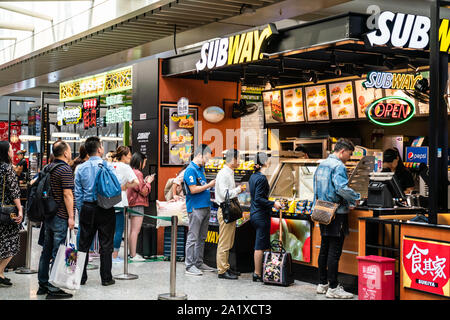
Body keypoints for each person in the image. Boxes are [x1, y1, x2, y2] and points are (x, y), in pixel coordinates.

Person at [314, 138, 360, 299]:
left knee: (325, 248)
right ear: (342, 151)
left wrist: (316, 206)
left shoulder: (322, 164)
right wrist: (356, 198)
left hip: (322, 211)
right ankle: (333, 287)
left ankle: (322, 283)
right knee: (334, 251)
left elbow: (315, 189)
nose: (350, 157)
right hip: (336, 212)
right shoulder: (338, 166)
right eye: (349, 153)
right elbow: (341, 188)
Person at [74, 136, 117, 286]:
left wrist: (82, 209)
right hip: (106, 208)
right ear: (99, 149)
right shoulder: (107, 165)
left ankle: (80, 277)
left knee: (83, 244)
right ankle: (106, 278)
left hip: (87, 207)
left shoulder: (80, 168)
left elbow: (77, 193)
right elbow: (112, 187)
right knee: (106, 244)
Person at [37, 140, 75, 299]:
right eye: (69, 150)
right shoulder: (65, 169)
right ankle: (53, 288)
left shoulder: (48, 167)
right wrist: (71, 216)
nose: (71, 153)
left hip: (48, 215)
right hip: (60, 215)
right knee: (59, 252)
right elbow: (67, 194)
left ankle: (43, 284)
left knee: (46, 251)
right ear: (65, 152)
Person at [249, 152, 282, 282]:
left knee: (265, 244)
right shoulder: (262, 178)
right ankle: (257, 273)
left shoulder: (253, 176)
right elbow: (258, 198)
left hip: (254, 214)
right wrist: (273, 203)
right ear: (265, 162)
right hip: (261, 215)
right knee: (259, 245)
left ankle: (268, 269)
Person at [184, 144, 216, 276]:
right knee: (193, 237)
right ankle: (189, 265)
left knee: (202, 237)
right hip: (195, 208)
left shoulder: (201, 168)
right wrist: (210, 185)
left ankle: (198, 262)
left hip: (206, 206)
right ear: (199, 155)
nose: (207, 161)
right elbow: (193, 189)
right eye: (206, 158)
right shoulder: (190, 170)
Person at [215, 149, 245, 280]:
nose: (239, 161)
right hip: (225, 210)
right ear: (233, 159)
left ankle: (226, 266)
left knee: (229, 241)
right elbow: (224, 194)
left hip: (229, 210)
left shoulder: (229, 172)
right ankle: (222, 270)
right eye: (238, 158)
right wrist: (239, 189)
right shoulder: (224, 174)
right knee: (224, 242)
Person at [0, 141, 23, 287]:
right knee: (12, 243)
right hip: (6, 213)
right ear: (6, 152)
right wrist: (20, 209)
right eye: (10, 149)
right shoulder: (8, 169)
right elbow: (14, 191)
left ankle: (1, 274)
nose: (13, 152)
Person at [111, 146, 139, 263]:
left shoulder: (110, 165)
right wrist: (126, 186)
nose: (131, 156)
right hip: (120, 201)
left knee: (109, 229)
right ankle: (114, 255)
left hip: (107, 201)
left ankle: (107, 254)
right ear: (123, 155)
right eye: (129, 154)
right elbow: (136, 182)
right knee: (118, 229)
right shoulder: (126, 167)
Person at [127, 152, 154, 261]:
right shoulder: (138, 173)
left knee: (130, 230)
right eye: (144, 162)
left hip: (129, 203)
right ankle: (133, 255)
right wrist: (148, 182)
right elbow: (143, 191)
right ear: (140, 162)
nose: (144, 165)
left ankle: (131, 253)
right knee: (135, 230)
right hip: (137, 204)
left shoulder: (130, 171)